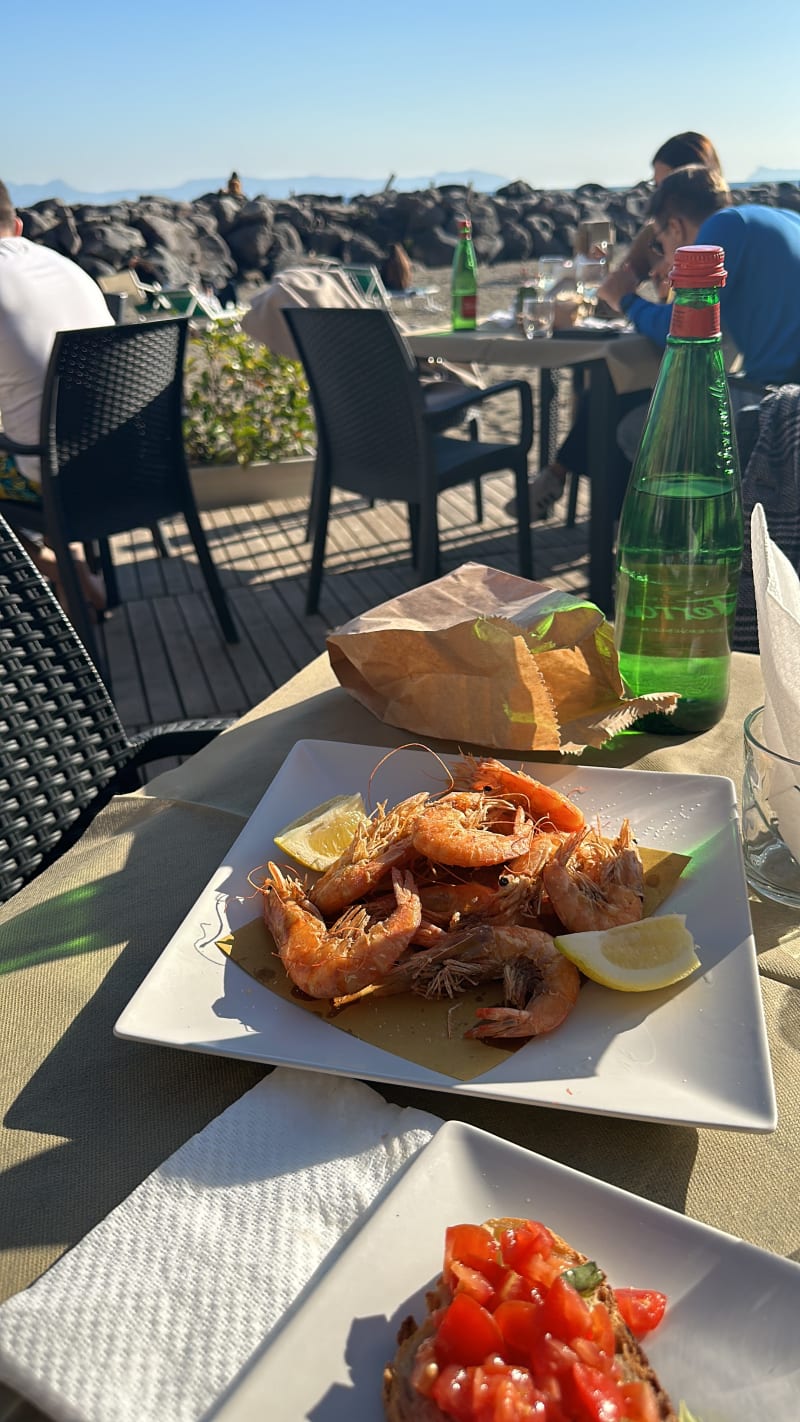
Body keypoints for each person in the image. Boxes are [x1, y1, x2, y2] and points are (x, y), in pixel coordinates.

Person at [521, 133, 725, 522]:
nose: (659, 192)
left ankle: (578, 492)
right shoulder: (662, 231)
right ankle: (606, 514)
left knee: (613, 395)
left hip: (689, 364)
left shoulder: (715, 231)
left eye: (662, 183)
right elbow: (619, 283)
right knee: (610, 389)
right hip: (664, 352)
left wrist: (635, 297)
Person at [0, 179, 113, 609]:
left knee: (30, 448)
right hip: (126, 460)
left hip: (49, 475)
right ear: (19, 225)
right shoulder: (66, 267)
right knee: (40, 433)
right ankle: (76, 576)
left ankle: (61, 574)